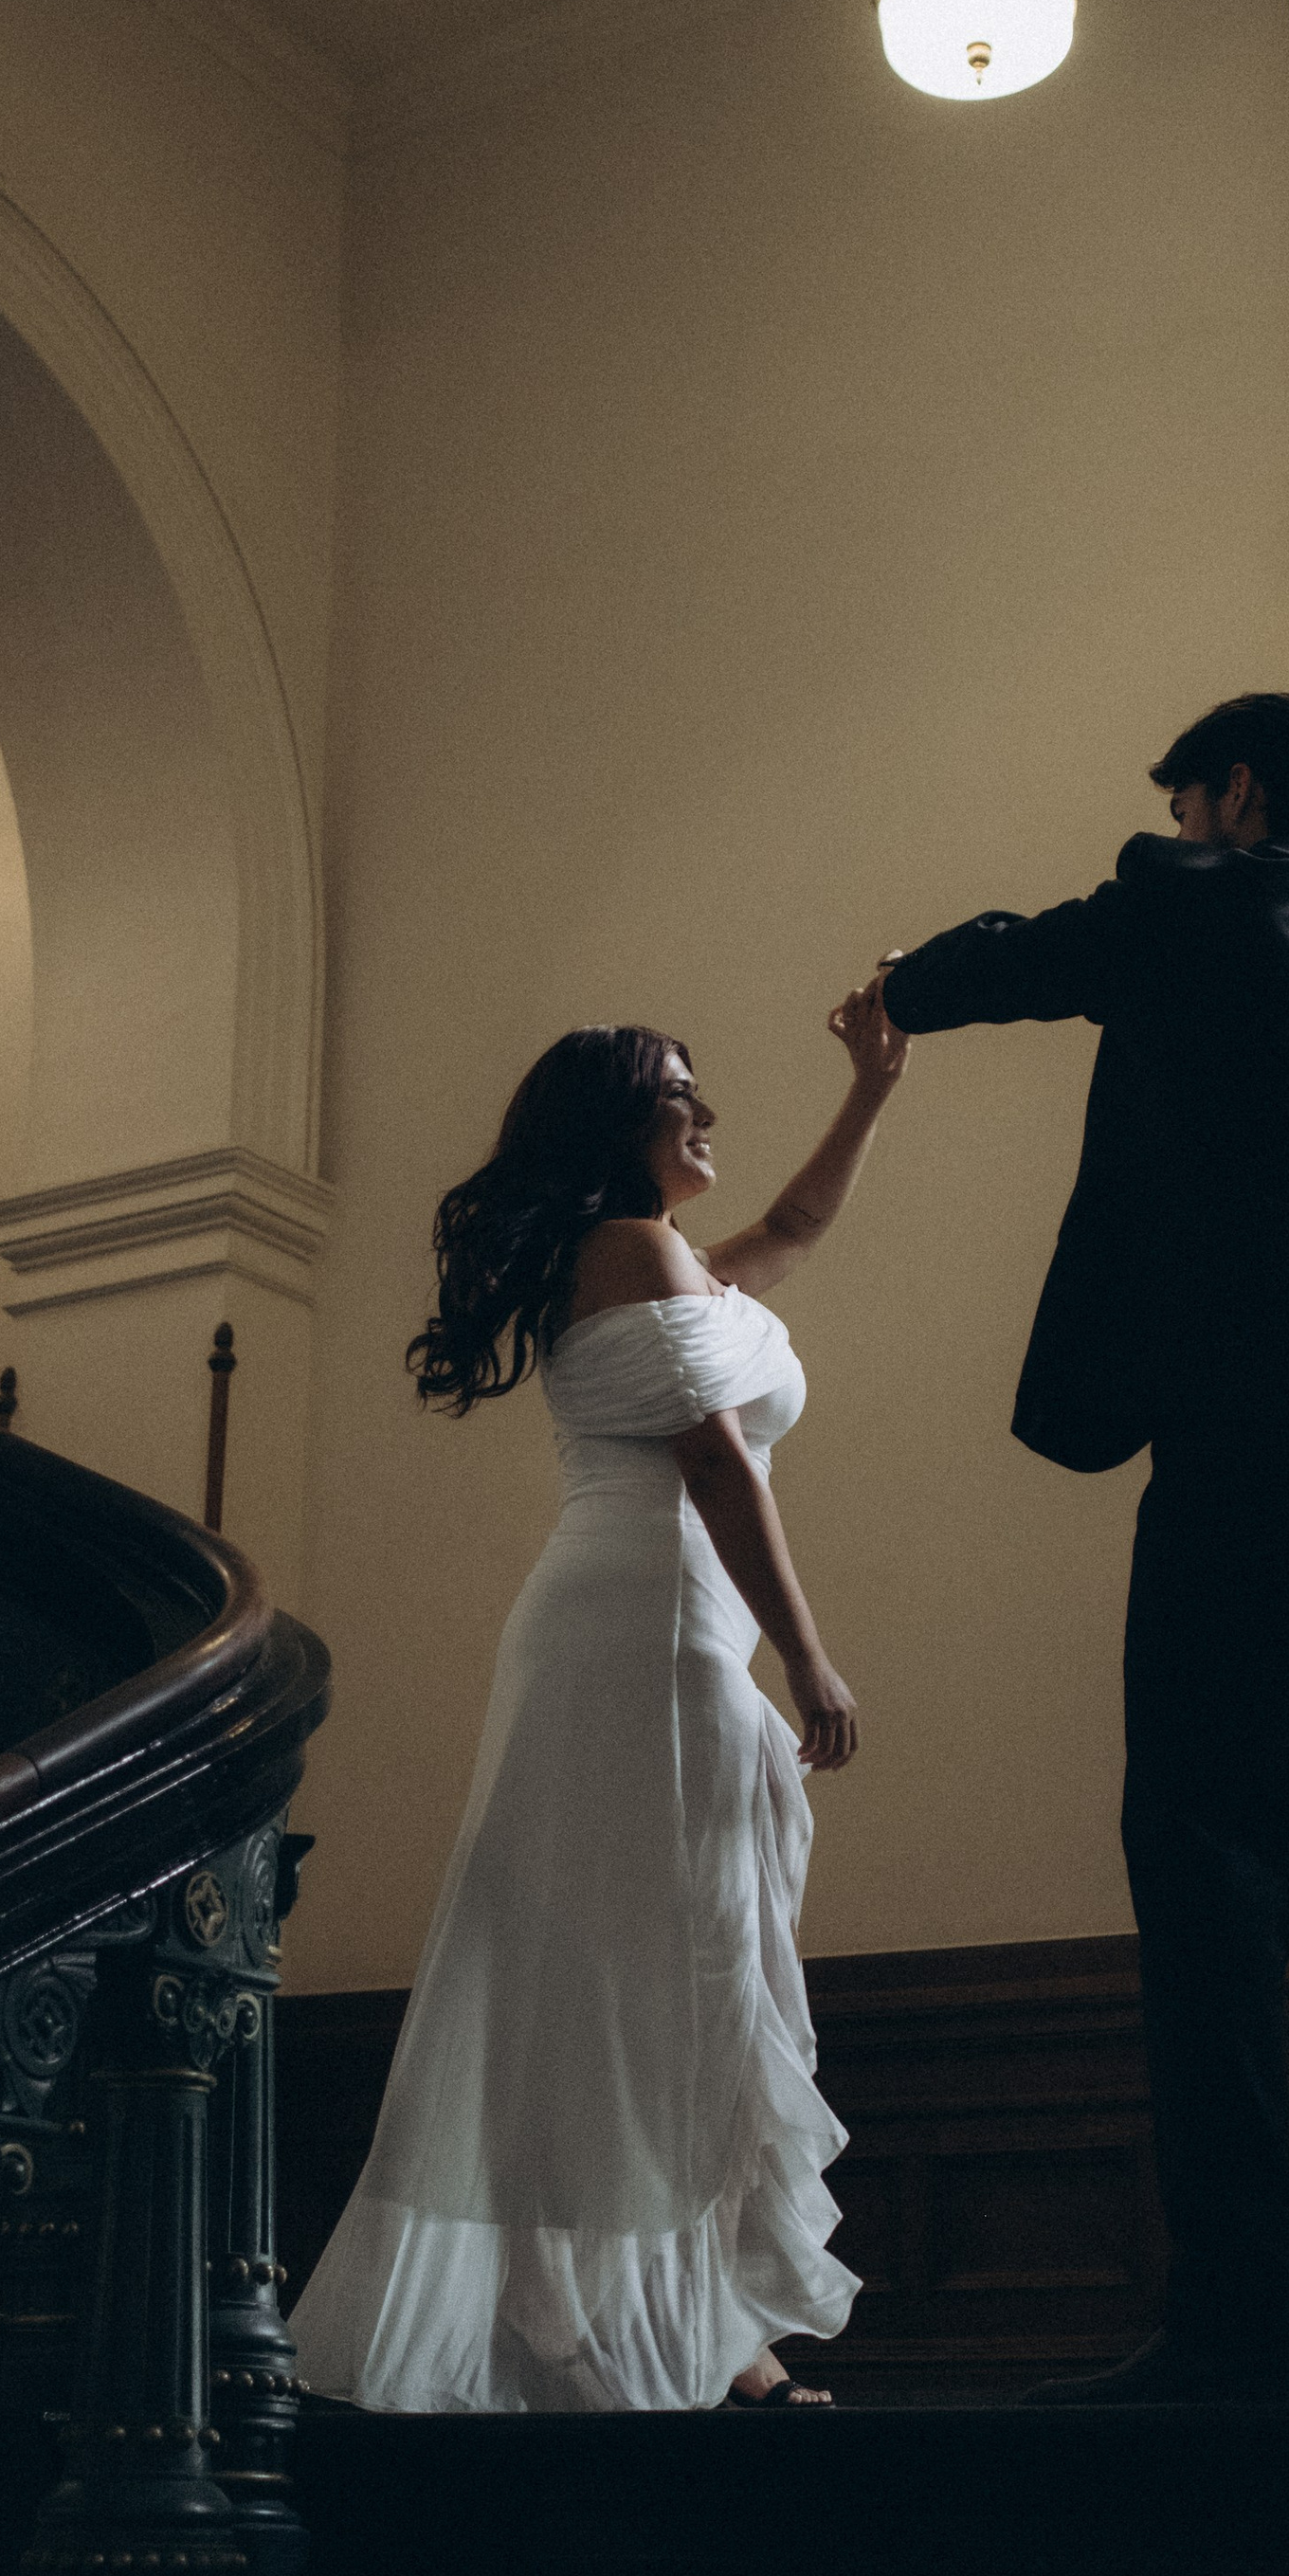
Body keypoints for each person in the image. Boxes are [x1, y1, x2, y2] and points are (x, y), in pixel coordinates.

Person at [875, 691, 1289, 2403]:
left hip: (1256, 1432)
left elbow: (996, 963)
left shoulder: (1194, 902)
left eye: (1190, 800)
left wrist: (891, 989)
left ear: (1235, 795)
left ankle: (1254, 2323)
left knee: (1212, 1865)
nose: (1183, 825)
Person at [291, 990, 908, 2415]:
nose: (706, 1115)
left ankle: (686, 2337)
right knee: (660, 1967)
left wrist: (873, 1087)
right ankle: (690, 2348)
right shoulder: (626, 1248)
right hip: (639, 1632)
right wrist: (807, 1656)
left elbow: (799, 1231)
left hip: (648, 1632)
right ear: (619, 1124)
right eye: (680, 1093)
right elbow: (713, 1464)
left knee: (645, 1968)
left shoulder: (661, 1256)